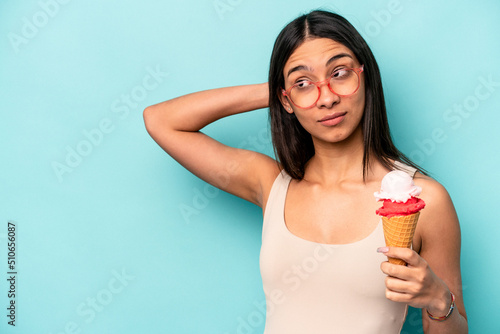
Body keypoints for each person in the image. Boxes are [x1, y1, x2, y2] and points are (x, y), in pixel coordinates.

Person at [143, 10, 468, 334]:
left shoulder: (423, 200)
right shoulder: (271, 183)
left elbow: (450, 324)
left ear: (365, 77)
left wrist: (440, 301)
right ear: (285, 99)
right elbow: (162, 120)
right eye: (303, 83)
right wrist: (280, 90)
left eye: (340, 73)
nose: (326, 98)